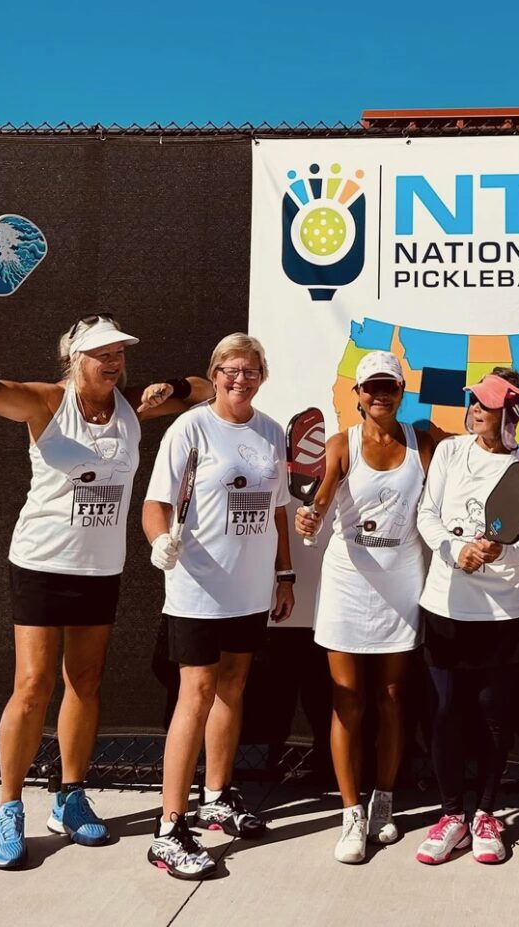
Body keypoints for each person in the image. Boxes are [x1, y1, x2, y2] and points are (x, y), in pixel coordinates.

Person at [0, 293, 211, 870]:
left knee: (84, 683)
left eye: (118, 354)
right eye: (99, 354)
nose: (112, 362)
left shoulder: (132, 406)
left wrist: (169, 389)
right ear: (73, 359)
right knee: (34, 685)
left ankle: (70, 797)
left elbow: (204, 387)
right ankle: (9, 806)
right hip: (40, 562)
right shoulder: (47, 401)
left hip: (100, 568)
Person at [143, 333, 294, 880]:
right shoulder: (191, 427)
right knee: (198, 694)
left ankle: (215, 799)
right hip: (197, 589)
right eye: (230, 370)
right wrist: (160, 541)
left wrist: (283, 574)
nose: (240, 379)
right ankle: (168, 829)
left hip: (251, 591)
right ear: (216, 372)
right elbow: (156, 504)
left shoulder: (271, 432)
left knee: (233, 688)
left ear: (262, 376)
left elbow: (277, 510)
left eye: (250, 370)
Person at [294, 350, 434, 864]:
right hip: (348, 581)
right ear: (357, 395)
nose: (380, 395)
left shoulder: (426, 442)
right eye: (371, 387)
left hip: (403, 579)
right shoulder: (340, 444)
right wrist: (311, 518)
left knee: (395, 697)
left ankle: (385, 803)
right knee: (348, 699)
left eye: (389, 387)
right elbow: (322, 497)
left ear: (402, 392)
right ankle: (351, 813)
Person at [414, 369, 519, 866]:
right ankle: (452, 816)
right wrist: (454, 550)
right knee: (444, 715)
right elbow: (427, 514)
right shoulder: (449, 452)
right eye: (475, 403)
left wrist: (499, 552)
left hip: (502, 613)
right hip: (445, 606)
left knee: (493, 717)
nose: (476, 410)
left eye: (487, 405)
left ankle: (486, 814)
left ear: (509, 414)